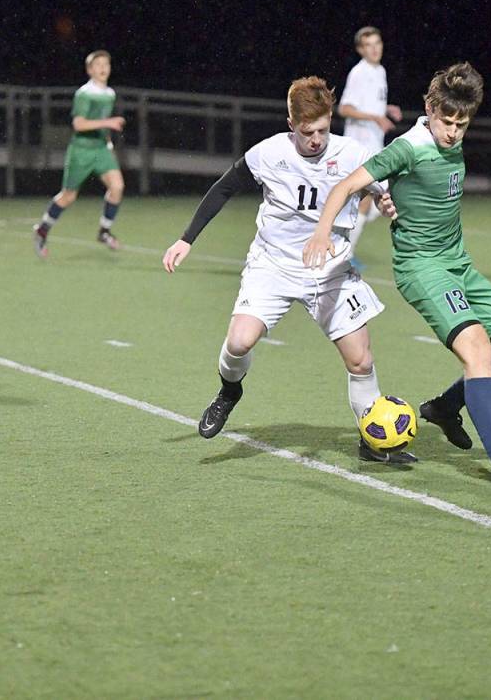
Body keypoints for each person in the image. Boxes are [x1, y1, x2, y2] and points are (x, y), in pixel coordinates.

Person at [303, 63, 491, 488]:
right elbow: (345, 185)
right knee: (476, 350)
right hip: (422, 268)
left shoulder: (448, 141)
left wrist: (385, 197)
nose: (453, 132)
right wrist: (325, 231)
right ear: (429, 109)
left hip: (459, 265)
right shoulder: (410, 147)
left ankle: (445, 407)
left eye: (462, 125)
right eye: (447, 122)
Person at [162, 76, 410, 463]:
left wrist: (385, 204)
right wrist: (186, 239)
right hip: (273, 265)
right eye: (307, 131)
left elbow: (378, 193)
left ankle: (371, 437)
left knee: (360, 360)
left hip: (330, 270)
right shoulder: (269, 153)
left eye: (323, 130)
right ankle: (229, 391)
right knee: (239, 342)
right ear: (290, 123)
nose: (316, 139)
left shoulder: (352, 153)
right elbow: (223, 188)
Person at [33, 49, 126, 257]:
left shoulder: (109, 94)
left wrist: (108, 140)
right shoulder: (84, 93)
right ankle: (42, 230)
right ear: (90, 70)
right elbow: (79, 124)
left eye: (106, 64)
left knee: (117, 187)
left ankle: (104, 231)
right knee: (68, 196)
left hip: (101, 148)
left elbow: (101, 123)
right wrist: (108, 122)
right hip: (82, 150)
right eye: (98, 65)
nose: (103, 68)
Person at [337, 26, 402, 264]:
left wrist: (385, 109)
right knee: (369, 199)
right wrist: (376, 117)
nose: (374, 48)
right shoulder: (359, 72)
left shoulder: (380, 71)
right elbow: (345, 108)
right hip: (359, 146)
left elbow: (367, 104)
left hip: (375, 145)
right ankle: (345, 253)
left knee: (375, 199)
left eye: (377, 43)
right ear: (360, 50)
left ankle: (342, 247)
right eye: (368, 45)